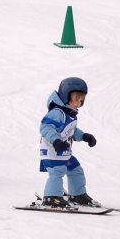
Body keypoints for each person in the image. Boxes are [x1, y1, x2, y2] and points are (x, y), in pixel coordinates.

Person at [39, 77, 98, 208]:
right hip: (52, 151)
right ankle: (51, 197)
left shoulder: (70, 113)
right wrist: (56, 141)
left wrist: (84, 136)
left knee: (75, 169)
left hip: (64, 152)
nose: (78, 103)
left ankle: (77, 195)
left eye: (81, 100)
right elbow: (45, 127)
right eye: (76, 99)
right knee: (57, 171)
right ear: (66, 96)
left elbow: (72, 131)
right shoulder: (57, 112)